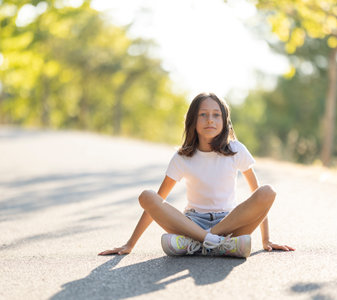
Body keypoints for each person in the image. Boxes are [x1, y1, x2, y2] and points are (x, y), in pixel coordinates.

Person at [99, 92, 295, 258]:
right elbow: (158, 201)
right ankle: (219, 246)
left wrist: (266, 239)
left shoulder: (236, 150)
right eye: (203, 114)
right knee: (146, 196)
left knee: (268, 191)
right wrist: (130, 244)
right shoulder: (182, 157)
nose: (210, 119)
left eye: (216, 115)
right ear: (193, 120)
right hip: (192, 223)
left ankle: (200, 243)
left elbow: (258, 197)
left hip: (229, 222)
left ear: (224, 121)